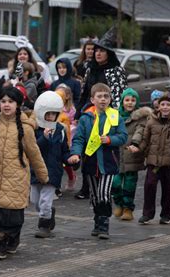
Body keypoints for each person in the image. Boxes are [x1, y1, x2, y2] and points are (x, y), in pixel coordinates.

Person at [0, 86, 48, 259]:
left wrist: (43, 175)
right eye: (3, 101)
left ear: (18, 104)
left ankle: (1, 245)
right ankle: (11, 241)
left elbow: (34, 154)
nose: (7, 105)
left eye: (11, 101)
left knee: (11, 216)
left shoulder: (25, 128)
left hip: (16, 178)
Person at [68, 83, 128, 239]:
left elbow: (123, 136)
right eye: (99, 96)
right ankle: (97, 220)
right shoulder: (86, 118)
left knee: (104, 194)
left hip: (108, 163)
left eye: (106, 96)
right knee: (95, 196)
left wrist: (110, 139)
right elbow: (79, 139)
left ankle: (104, 225)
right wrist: (75, 153)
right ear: (92, 99)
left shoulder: (115, 116)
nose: (103, 99)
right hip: (90, 163)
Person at [137, 94, 170, 225]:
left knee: (168, 188)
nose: (165, 107)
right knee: (149, 185)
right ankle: (147, 214)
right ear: (158, 106)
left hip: (169, 162)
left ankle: (166, 214)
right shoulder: (151, 121)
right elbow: (145, 139)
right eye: (163, 104)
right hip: (153, 161)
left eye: (168, 105)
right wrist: (138, 148)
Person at [31, 91, 70, 238]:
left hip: (53, 171)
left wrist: (71, 159)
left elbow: (64, 150)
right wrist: (45, 138)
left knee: (45, 201)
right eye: (47, 114)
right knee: (35, 201)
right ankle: (48, 214)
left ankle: (44, 226)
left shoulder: (60, 130)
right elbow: (33, 147)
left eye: (53, 114)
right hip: (36, 171)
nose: (50, 118)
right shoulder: (35, 129)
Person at [111, 88, 152, 221]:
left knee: (129, 184)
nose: (130, 103)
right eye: (127, 100)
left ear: (137, 102)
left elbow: (140, 132)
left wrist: (135, 143)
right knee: (115, 183)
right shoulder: (114, 116)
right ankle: (118, 203)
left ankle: (128, 208)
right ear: (122, 101)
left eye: (133, 100)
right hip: (117, 155)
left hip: (131, 155)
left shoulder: (140, 117)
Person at [77, 27, 127, 116]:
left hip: (108, 114)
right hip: (88, 112)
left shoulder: (116, 71)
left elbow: (119, 98)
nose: (98, 54)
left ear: (108, 53)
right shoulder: (90, 68)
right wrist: (78, 113)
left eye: (102, 51)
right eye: (96, 51)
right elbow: (84, 94)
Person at [55, 84, 76, 191]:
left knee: (66, 161)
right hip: (56, 138)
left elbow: (73, 122)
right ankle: (56, 186)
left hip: (68, 137)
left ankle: (71, 176)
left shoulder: (70, 109)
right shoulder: (53, 108)